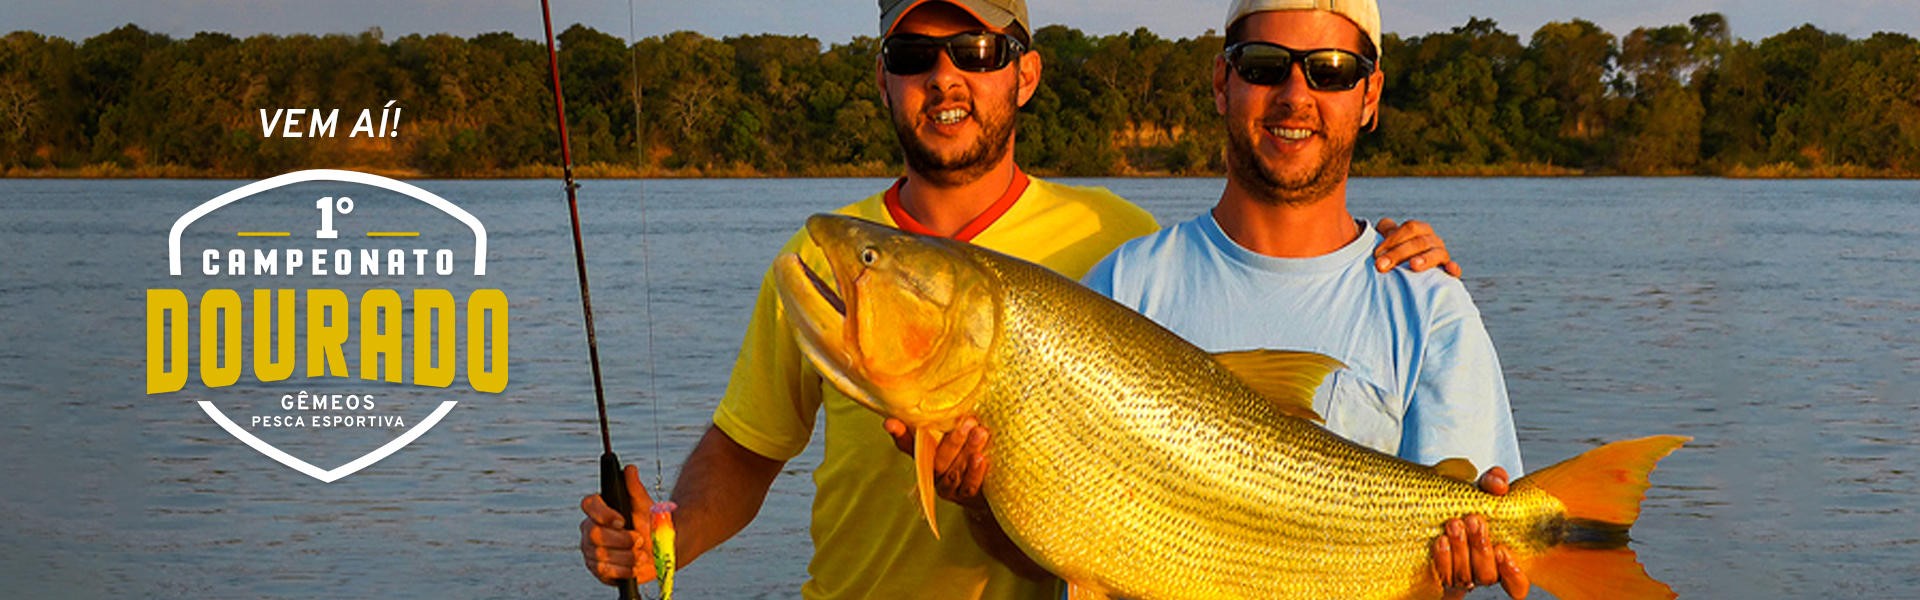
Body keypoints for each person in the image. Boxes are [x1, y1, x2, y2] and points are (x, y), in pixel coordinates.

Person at [580, 1, 1458, 598]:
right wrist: (660, 536)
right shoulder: (823, 262)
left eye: (977, 51)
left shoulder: (1118, 244)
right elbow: (746, 448)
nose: (945, 77)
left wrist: (1391, 259)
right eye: (914, 54)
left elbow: (1238, 365)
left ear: (1025, 75)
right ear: (882, 78)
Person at [1079, 0, 1530, 597]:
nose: (1295, 95)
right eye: (1264, 65)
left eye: (1333, 71)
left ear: (1370, 96)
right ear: (1222, 83)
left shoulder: (1430, 306)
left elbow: (1450, 564)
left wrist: (1461, 569)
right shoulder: (1124, 286)